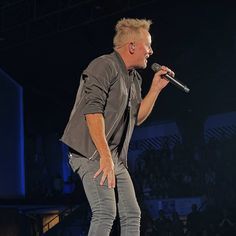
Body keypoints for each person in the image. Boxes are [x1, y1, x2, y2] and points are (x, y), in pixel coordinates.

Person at [60, 18, 174, 236]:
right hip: (91, 152)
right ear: (132, 46)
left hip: (113, 157)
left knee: (132, 214)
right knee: (105, 211)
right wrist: (104, 156)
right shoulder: (103, 65)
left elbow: (136, 118)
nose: (151, 51)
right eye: (147, 45)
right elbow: (92, 112)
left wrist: (156, 88)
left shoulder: (135, 79)